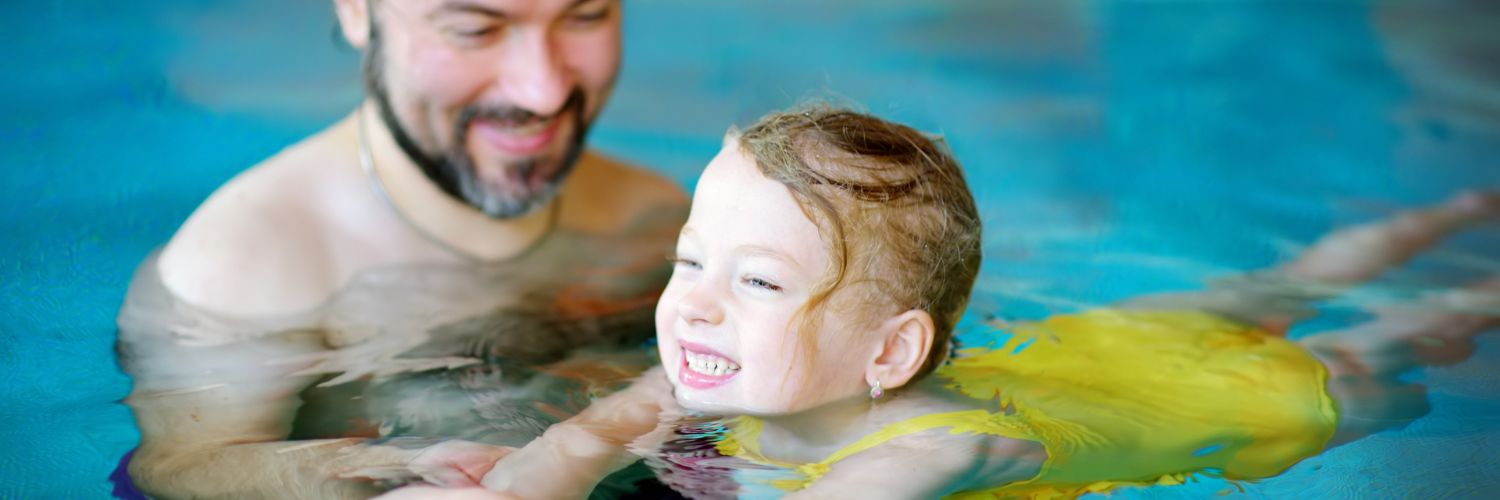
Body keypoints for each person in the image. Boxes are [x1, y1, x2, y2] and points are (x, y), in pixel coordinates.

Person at [434, 107, 1496, 499]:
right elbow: (612, 419)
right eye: (690, 260)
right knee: (1263, 285)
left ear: (893, 351)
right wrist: (535, 472)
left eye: (756, 280)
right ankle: (1461, 207)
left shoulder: (929, 454)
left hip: (1242, 399)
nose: (695, 309)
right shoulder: (732, 360)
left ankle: (1472, 277)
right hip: (1093, 347)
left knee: (1371, 345)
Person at [115, 0, 688, 498]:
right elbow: (179, 466)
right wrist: (376, 472)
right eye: (474, 29)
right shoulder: (247, 262)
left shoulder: (651, 215)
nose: (544, 90)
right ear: (357, 10)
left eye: (586, 15)